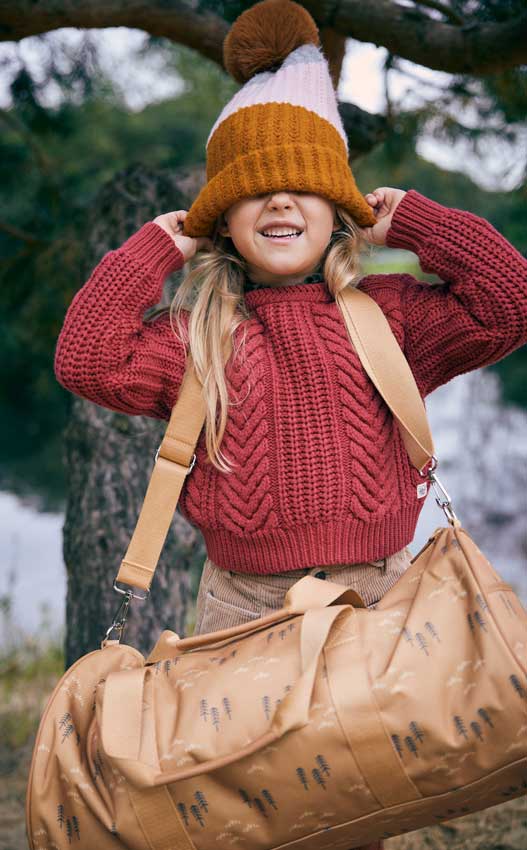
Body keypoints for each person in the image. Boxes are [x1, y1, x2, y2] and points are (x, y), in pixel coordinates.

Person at [53, 2, 527, 848]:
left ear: (337, 207)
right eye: (251, 191)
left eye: (305, 184)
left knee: (358, 793)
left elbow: (510, 299)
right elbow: (86, 359)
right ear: (223, 220)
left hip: (383, 599)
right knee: (260, 806)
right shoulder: (197, 338)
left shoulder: (389, 317)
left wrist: (414, 223)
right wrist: (153, 251)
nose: (279, 198)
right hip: (242, 612)